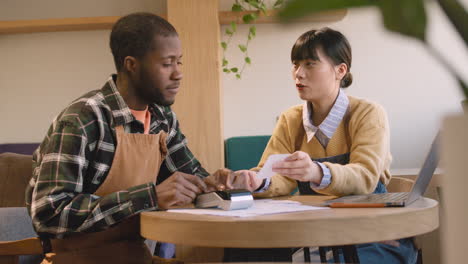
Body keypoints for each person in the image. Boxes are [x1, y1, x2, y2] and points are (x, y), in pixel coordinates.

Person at [25, 12, 254, 264]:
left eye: (179, 62)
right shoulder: (83, 119)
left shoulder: (162, 117)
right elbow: (49, 215)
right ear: (131, 64)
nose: (178, 74)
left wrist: (214, 185)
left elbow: (192, 178)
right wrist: (150, 197)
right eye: (167, 64)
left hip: (137, 257)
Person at [234, 27, 418, 263]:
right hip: (320, 238)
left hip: (376, 237)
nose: (298, 74)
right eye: (295, 64)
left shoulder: (367, 113)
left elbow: (365, 177)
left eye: (310, 64)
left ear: (340, 70)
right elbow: (278, 177)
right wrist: (256, 180)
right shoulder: (290, 119)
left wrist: (315, 172)